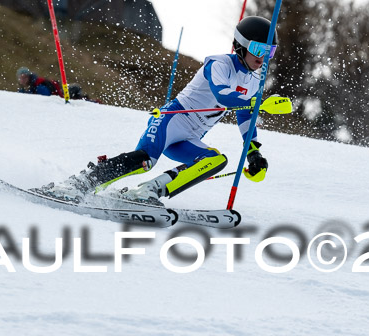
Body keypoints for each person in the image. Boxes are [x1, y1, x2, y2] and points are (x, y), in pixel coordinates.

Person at [36, 16, 276, 205]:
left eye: (270, 51)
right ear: (240, 45)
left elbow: (245, 116)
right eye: (259, 48)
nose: (263, 57)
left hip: (191, 137)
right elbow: (222, 94)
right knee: (145, 160)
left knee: (215, 160)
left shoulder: (254, 81)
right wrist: (253, 103)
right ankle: (78, 184)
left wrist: (253, 153)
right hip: (173, 121)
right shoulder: (218, 64)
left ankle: (147, 191)